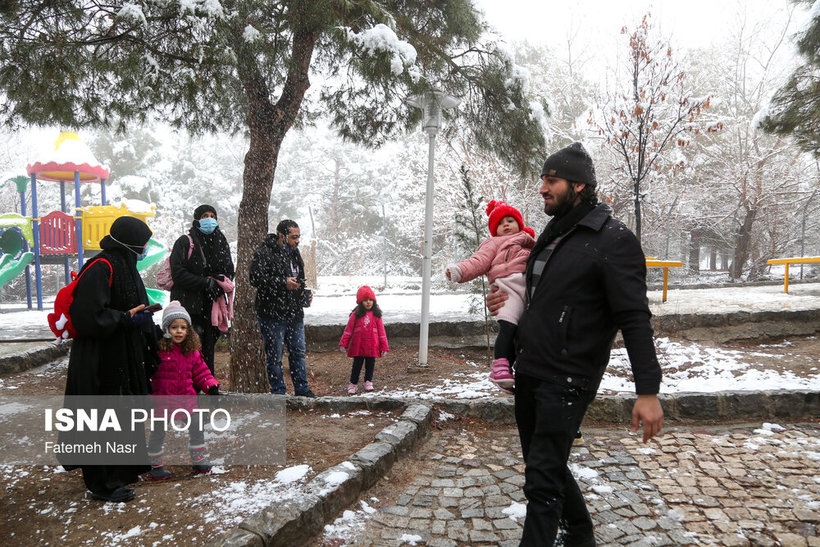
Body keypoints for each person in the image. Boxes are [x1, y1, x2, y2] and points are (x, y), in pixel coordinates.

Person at [486, 142, 664, 546]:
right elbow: (541, 296)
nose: (543, 189)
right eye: (543, 180)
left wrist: (647, 389)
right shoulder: (552, 235)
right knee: (543, 464)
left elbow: (634, 318)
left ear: (579, 185)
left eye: (552, 180)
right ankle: (580, 536)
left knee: (542, 482)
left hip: (568, 377)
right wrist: (505, 299)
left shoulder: (612, 240)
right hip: (529, 369)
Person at [61, 216, 159, 502]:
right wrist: (125, 318)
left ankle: (123, 469)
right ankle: (101, 482)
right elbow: (88, 315)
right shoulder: (101, 267)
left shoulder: (125, 265)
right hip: (100, 356)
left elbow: (132, 303)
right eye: (141, 244)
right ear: (129, 242)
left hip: (122, 351)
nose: (143, 249)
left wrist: (145, 320)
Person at [445, 200, 535, 393]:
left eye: (510, 220)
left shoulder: (529, 241)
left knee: (521, 334)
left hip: (528, 291)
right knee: (508, 326)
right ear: (495, 230)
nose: (506, 225)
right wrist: (459, 271)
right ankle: (500, 367)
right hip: (507, 290)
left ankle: (511, 375)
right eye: (501, 223)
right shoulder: (494, 243)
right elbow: (478, 261)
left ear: (519, 223)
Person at [147, 301, 220, 480]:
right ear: (166, 329)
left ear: (188, 330)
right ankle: (155, 465)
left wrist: (210, 385)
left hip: (186, 400)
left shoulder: (192, 352)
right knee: (158, 432)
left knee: (196, 426)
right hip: (161, 401)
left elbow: (201, 371)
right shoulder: (158, 351)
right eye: (174, 327)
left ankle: (198, 460)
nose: (179, 331)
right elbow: (147, 372)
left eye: (183, 327)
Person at [249, 219, 316, 397]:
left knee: (298, 352)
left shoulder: (295, 252)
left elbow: (298, 277)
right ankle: (278, 392)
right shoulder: (265, 252)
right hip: (272, 313)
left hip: (294, 312)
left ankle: (302, 389)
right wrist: (281, 283)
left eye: (298, 237)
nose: (297, 241)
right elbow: (255, 278)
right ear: (282, 236)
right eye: (294, 237)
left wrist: (302, 292)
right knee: (275, 356)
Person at [169, 205, 235, 375]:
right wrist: (205, 283)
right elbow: (178, 274)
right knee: (187, 350)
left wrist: (219, 286)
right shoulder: (185, 242)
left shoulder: (220, 241)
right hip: (188, 306)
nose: (209, 219)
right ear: (197, 219)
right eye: (205, 216)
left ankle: (206, 386)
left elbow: (229, 269)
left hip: (211, 306)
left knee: (207, 351)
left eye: (213, 216)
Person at [338, 286, 389, 395]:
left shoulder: (376, 315)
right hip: (359, 346)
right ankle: (353, 383)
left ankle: (368, 381)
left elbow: (381, 332)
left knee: (370, 365)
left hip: (372, 346)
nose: (368, 302)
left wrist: (384, 346)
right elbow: (348, 330)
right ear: (360, 302)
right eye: (365, 300)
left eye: (370, 300)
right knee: (357, 365)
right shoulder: (355, 315)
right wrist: (344, 343)